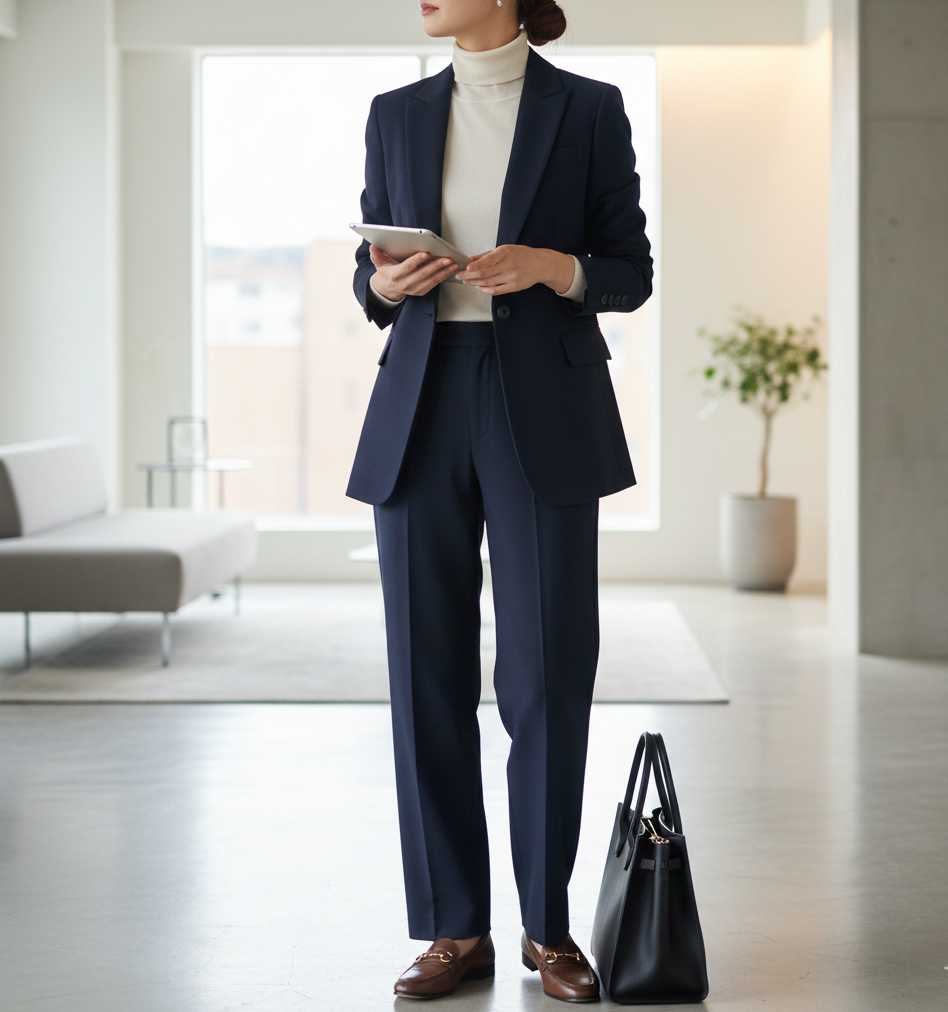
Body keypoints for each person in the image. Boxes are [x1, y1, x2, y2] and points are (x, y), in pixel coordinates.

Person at [347, 0, 652, 1001]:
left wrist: (552, 267)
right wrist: (389, 285)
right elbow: (368, 278)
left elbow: (630, 272)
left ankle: (548, 930)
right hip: (421, 397)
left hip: (544, 407)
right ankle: (454, 929)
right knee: (423, 674)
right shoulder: (394, 113)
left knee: (547, 674)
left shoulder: (589, 108)